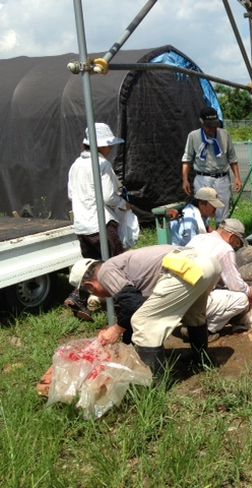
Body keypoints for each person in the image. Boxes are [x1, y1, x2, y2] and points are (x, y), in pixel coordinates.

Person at [68, 245, 220, 377]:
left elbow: (134, 306)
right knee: (194, 315)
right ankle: (201, 360)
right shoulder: (121, 263)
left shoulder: (105, 272)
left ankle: (155, 384)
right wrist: (125, 342)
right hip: (206, 263)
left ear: (90, 287)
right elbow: (135, 307)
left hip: (186, 269)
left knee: (144, 322)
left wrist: (115, 330)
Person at [64, 122, 128, 320]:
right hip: (100, 224)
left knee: (91, 266)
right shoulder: (101, 164)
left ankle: (78, 297)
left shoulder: (75, 165)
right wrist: (124, 204)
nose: (110, 149)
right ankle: (122, 309)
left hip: (83, 225)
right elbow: (109, 196)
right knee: (116, 265)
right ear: (100, 146)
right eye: (108, 145)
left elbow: (71, 194)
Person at [186, 218, 252, 341]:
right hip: (195, 301)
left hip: (179, 296)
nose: (236, 246)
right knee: (242, 300)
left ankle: (191, 322)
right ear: (232, 237)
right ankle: (204, 331)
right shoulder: (225, 248)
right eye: (238, 243)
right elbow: (236, 285)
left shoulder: (198, 238)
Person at [181, 107, 241, 223]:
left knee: (222, 211)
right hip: (203, 178)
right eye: (209, 126)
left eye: (214, 126)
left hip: (221, 178)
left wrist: (237, 177)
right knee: (203, 212)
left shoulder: (224, 135)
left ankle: (221, 234)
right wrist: (185, 179)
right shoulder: (193, 136)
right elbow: (187, 159)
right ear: (202, 122)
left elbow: (232, 158)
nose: (212, 129)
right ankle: (203, 233)